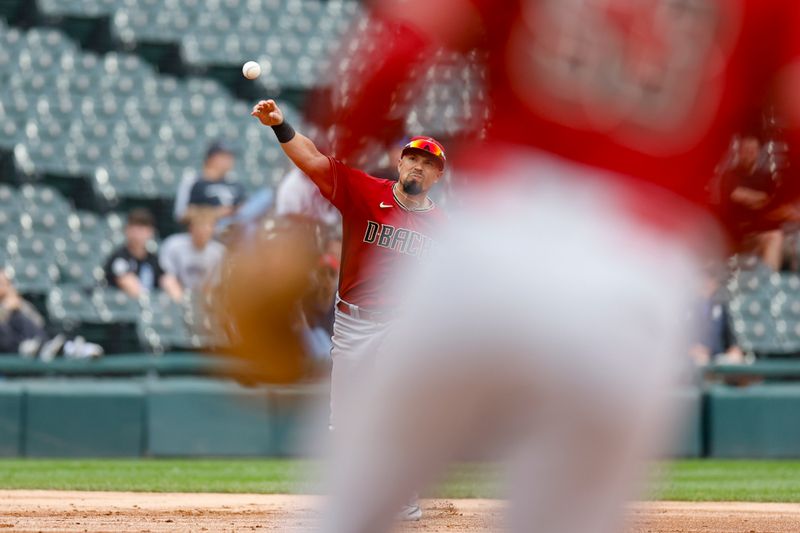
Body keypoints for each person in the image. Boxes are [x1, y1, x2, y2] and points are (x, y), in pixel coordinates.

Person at [296, 2, 800, 533]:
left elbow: (401, 46)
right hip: (639, 271)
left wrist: (343, 150)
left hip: (494, 237)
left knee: (349, 511)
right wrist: (728, 228)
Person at [250, 98, 447, 521]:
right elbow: (314, 162)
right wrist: (280, 125)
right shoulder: (365, 192)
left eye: (427, 163)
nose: (418, 166)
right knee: (344, 421)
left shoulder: (445, 229)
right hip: (353, 322)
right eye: (412, 157)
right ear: (399, 162)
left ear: (437, 174)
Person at [0, 269, 102, 360]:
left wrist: (19, 306)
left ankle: (67, 347)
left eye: (6, 283)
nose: (4, 287)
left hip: (31, 339)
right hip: (10, 346)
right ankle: (53, 348)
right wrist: (6, 309)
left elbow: (38, 323)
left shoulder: (19, 303)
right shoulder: (8, 306)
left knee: (22, 318)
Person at [104, 208, 182, 302]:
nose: (138, 234)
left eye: (143, 229)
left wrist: (178, 299)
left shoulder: (153, 259)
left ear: (151, 232)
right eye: (134, 228)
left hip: (149, 308)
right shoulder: (119, 258)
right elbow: (130, 286)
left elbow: (167, 280)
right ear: (127, 230)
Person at [159, 207, 226, 295]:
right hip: (177, 295)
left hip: (205, 297)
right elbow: (167, 275)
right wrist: (181, 299)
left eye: (208, 226)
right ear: (191, 228)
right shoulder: (174, 245)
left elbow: (215, 283)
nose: (203, 231)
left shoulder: (219, 251)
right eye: (200, 225)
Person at [173, 140, 245, 222]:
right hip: (202, 232)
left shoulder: (235, 184)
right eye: (224, 156)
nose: (229, 160)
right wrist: (214, 213)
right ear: (211, 158)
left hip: (232, 231)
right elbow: (181, 214)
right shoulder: (193, 181)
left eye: (230, 156)